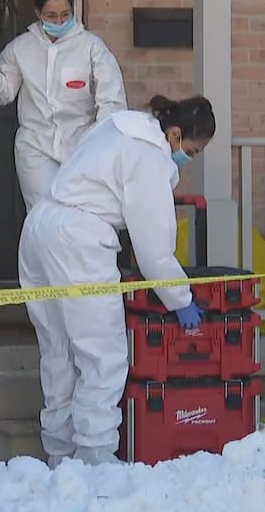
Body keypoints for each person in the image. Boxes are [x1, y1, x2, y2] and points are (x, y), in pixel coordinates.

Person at [17, 95, 217, 467]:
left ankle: (60, 457)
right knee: (102, 357)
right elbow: (154, 250)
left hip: (40, 226)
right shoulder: (150, 157)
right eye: (191, 150)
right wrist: (180, 298)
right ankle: (95, 463)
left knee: (58, 351)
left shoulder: (121, 126)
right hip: (79, 240)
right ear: (174, 135)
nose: (187, 160)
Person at [0, 0, 128, 211]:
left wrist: (101, 145)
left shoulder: (91, 48)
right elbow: (3, 92)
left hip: (80, 146)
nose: (59, 22)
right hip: (36, 147)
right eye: (51, 16)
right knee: (43, 215)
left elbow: (111, 100)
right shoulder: (21, 48)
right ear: (37, 13)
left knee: (79, 215)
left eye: (65, 15)